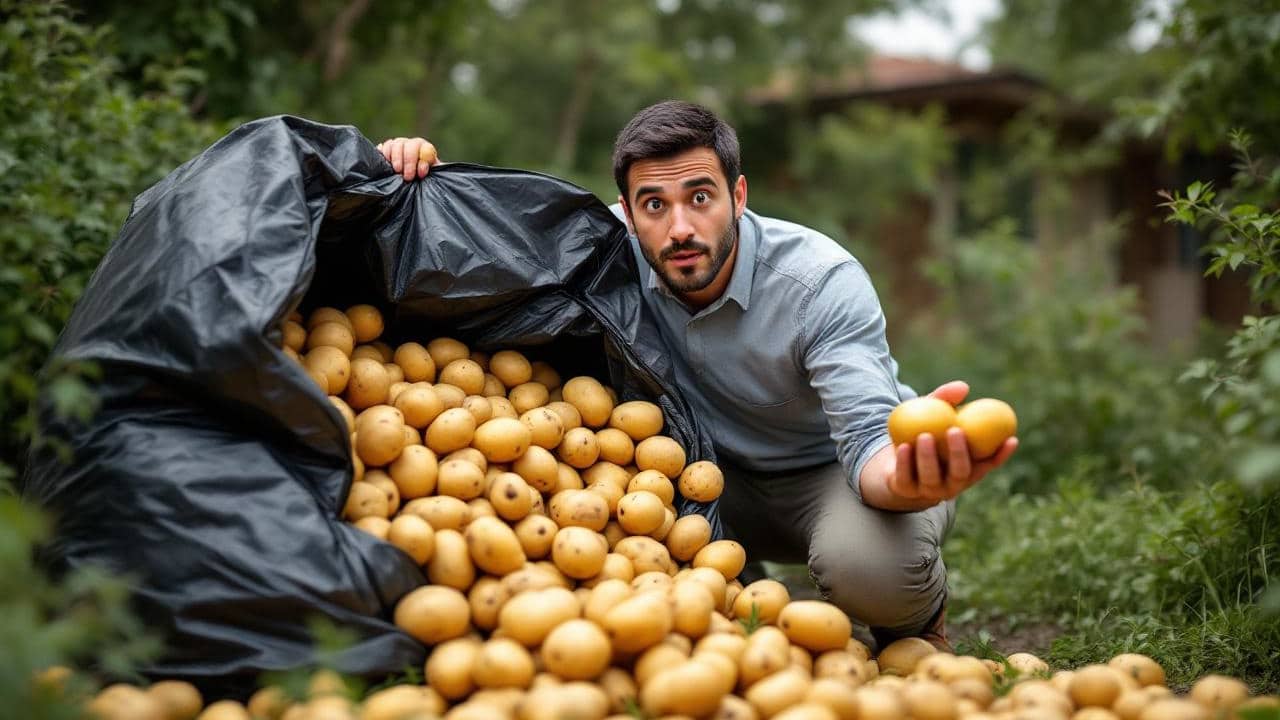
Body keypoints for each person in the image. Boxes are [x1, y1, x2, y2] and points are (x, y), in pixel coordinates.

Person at [376, 100, 1017, 650]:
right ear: (625, 211)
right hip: (706, 477)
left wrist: (907, 479)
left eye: (700, 197)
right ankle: (739, 577)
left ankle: (916, 619)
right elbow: (493, 245)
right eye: (653, 204)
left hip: (831, 472)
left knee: (871, 571)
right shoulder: (606, 250)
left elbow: (867, 442)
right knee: (617, 527)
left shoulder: (819, 282)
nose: (679, 228)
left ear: (737, 195)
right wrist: (415, 179)